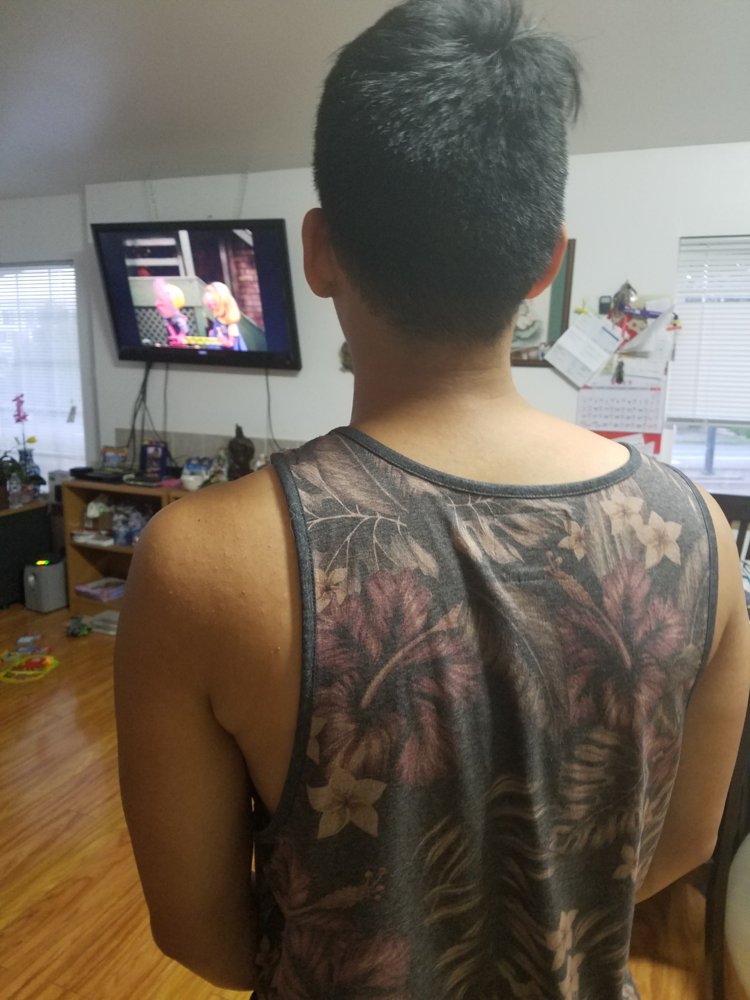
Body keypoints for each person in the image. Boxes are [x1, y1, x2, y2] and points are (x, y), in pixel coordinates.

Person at [114, 1, 750, 997]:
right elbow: (682, 847)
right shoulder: (695, 534)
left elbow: (199, 931)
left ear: (318, 250)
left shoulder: (199, 562)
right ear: (545, 262)